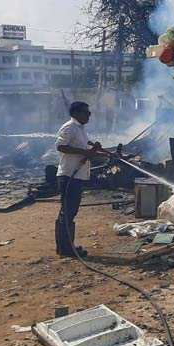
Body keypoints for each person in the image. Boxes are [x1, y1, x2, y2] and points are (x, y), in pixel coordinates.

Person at [54, 102, 112, 257]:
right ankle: (66, 249)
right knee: (67, 212)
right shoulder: (69, 127)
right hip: (68, 175)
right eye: (86, 113)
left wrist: (107, 154)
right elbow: (60, 146)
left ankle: (66, 247)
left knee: (69, 212)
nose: (89, 115)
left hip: (76, 176)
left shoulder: (80, 130)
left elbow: (87, 152)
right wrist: (86, 153)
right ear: (76, 113)